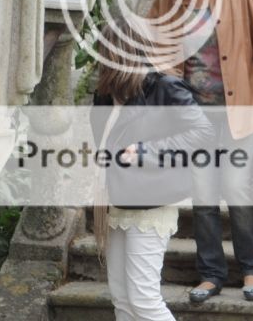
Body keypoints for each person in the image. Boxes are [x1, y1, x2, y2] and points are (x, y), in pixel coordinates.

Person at [147, 0, 253, 304]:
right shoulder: (167, 0)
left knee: (236, 188)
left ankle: (252, 266)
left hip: (240, 110)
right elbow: (162, 57)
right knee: (203, 195)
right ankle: (211, 273)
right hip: (194, 118)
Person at [92, 18, 215, 321]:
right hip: (117, 201)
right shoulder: (105, 94)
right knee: (122, 300)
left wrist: (148, 152)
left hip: (151, 202)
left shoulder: (164, 87)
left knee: (144, 300)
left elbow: (203, 133)